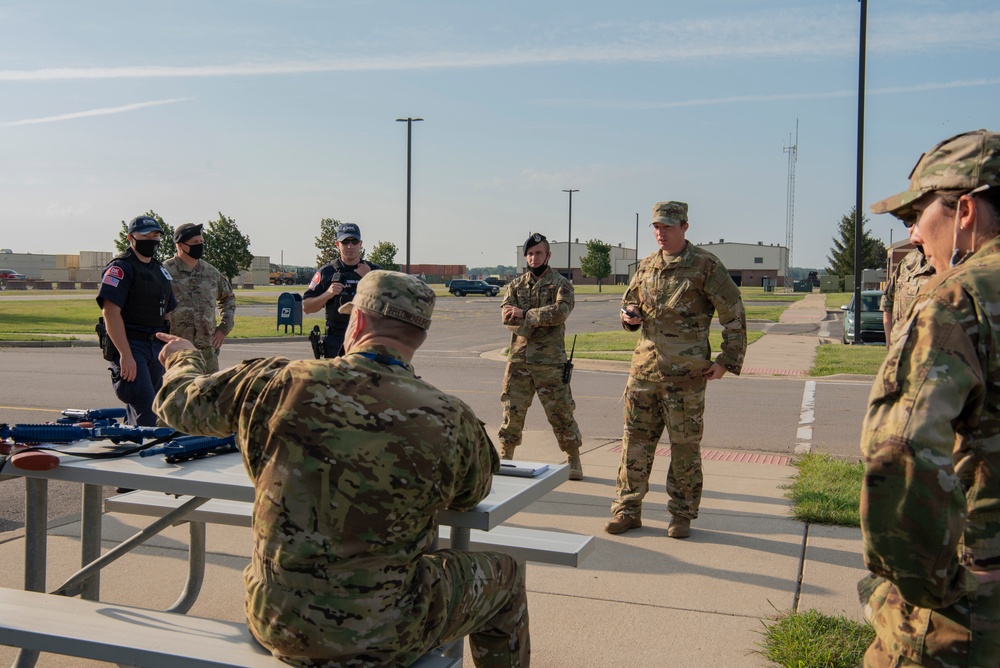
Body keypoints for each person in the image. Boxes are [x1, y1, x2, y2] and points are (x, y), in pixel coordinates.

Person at [153, 270, 529, 668]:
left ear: (358, 322)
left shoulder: (276, 381)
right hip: (390, 632)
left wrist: (182, 355)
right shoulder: (449, 416)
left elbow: (181, 403)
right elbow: (474, 490)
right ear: (417, 337)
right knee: (505, 576)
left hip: (277, 620)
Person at [858, 129, 1000, 667]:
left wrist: (920, 587)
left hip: (971, 607)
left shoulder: (960, 298)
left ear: (964, 211)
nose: (915, 234)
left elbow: (901, 454)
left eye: (919, 214)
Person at [606, 201, 746, 539]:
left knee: (684, 448)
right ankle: (627, 510)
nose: (660, 233)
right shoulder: (645, 266)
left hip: (686, 376)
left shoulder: (705, 266)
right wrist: (628, 317)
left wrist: (727, 360)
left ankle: (681, 515)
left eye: (667, 227)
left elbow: (733, 313)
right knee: (634, 444)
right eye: (656, 227)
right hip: (644, 372)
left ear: (685, 226)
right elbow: (629, 305)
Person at [498, 233, 584, 480]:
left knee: (561, 412)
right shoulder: (516, 285)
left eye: (538, 253)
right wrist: (537, 320)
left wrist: (525, 315)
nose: (533, 258)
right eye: (530, 253)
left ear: (548, 255)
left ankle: (573, 458)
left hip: (551, 363)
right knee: (511, 412)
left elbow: (559, 313)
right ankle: (506, 457)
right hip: (519, 362)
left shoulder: (561, 284)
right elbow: (506, 316)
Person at [95, 215, 176, 427]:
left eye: (156, 235)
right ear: (131, 237)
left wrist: (167, 349)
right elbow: (110, 312)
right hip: (132, 346)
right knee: (149, 412)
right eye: (146, 235)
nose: (152, 239)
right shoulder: (120, 269)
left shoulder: (160, 271)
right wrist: (125, 355)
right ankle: (148, 454)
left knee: (158, 406)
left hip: (155, 347)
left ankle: (132, 444)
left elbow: (167, 313)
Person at [162, 222, 236, 373]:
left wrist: (223, 328)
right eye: (194, 242)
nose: (199, 245)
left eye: (201, 242)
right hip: (177, 350)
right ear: (180, 245)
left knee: (208, 393)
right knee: (178, 394)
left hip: (207, 351)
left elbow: (228, 298)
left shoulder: (211, 273)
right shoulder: (164, 272)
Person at [302, 222, 381, 358]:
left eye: (354, 241)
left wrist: (370, 279)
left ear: (360, 244)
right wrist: (328, 294)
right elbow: (307, 307)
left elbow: (393, 304)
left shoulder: (375, 272)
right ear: (337, 245)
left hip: (366, 340)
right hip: (336, 342)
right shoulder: (327, 272)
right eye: (345, 242)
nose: (350, 246)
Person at [880, 243, 933, 346]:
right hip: (900, 352)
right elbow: (887, 302)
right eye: (908, 225)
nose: (911, 230)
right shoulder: (909, 260)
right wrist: (889, 343)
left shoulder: (956, 265)